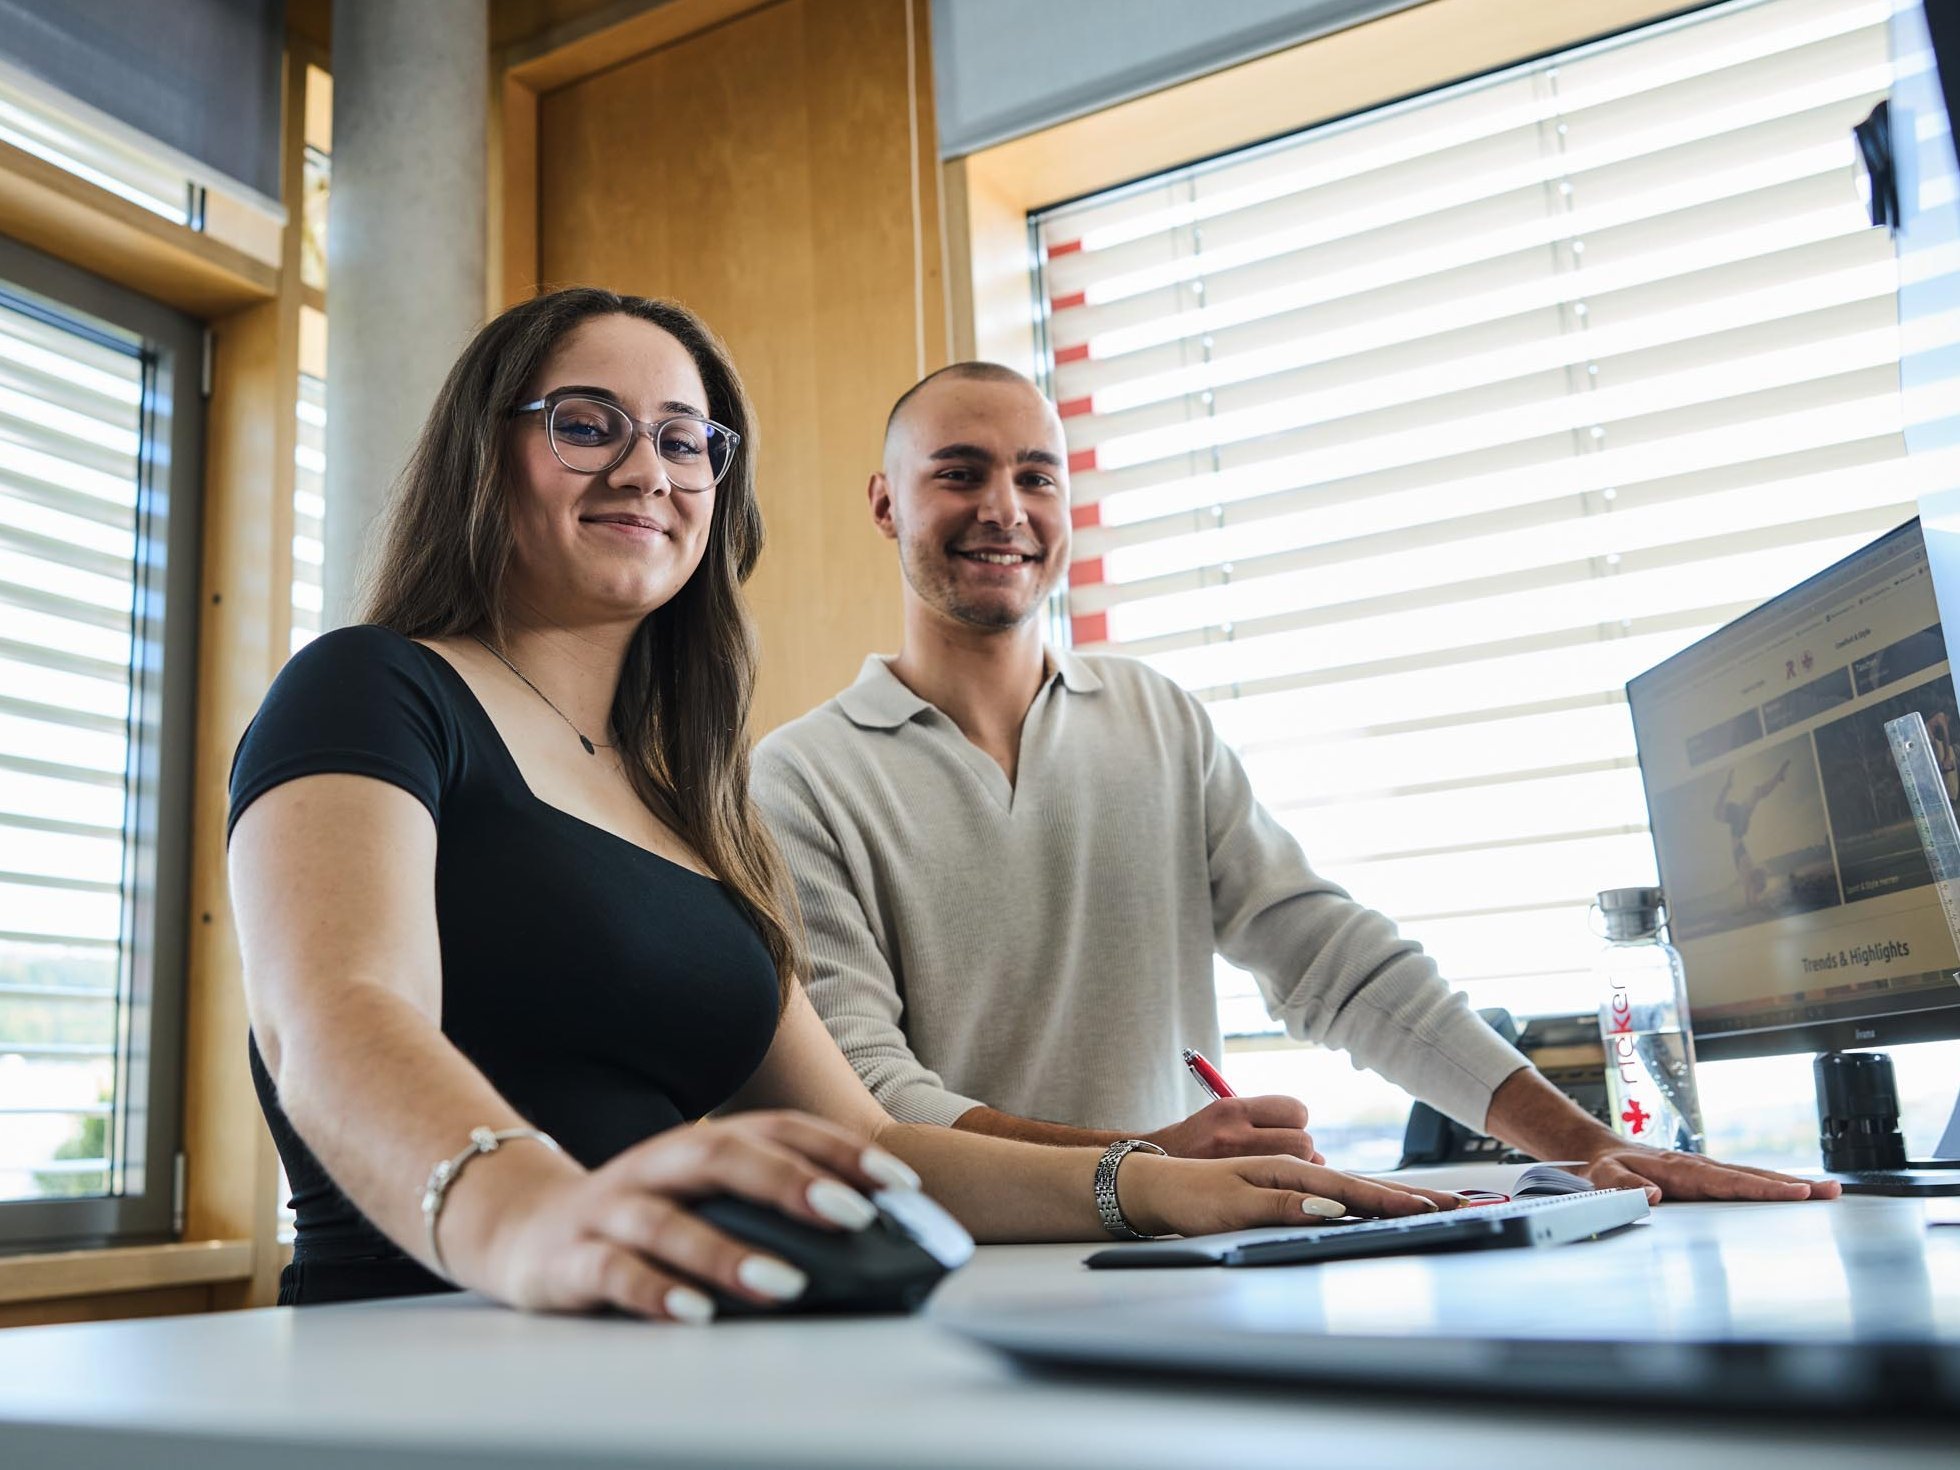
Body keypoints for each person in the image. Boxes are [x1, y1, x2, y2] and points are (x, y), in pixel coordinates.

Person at [227, 289, 1467, 1320]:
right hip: (422, 1344)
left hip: (658, 1354)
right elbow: (335, 1016)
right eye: (586, 423)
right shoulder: (373, 688)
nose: (645, 468)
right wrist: (528, 1218)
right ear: (481, 453)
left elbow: (869, 1143)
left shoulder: (689, 802)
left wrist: (1142, 1182)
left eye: (683, 439)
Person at [750, 360, 1838, 1204]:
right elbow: (870, 1097)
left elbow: (1336, 963)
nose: (1005, 506)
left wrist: (1592, 1145)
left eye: (1037, 475)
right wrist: (1147, 1162)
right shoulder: (798, 778)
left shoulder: (1155, 718)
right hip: (968, 1265)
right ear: (887, 505)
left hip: (1193, 1259)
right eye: (959, 472)